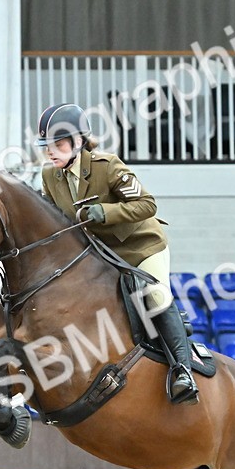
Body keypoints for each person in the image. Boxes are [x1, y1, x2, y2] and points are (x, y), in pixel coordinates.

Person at [35, 102, 198, 405]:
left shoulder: (106, 165)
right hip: (104, 255)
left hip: (141, 247)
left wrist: (105, 211)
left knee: (156, 297)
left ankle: (182, 371)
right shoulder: (49, 177)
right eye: (47, 146)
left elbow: (148, 205)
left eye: (57, 144)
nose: (50, 152)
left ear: (78, 141)